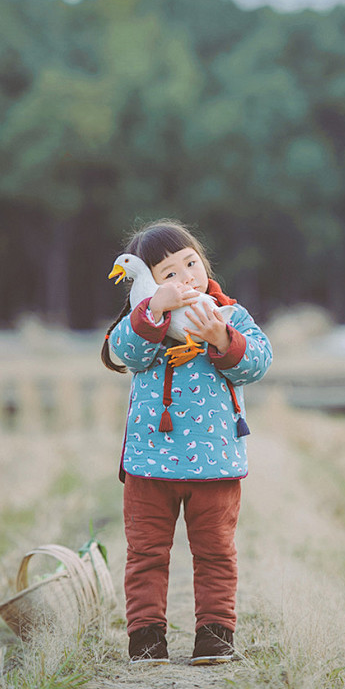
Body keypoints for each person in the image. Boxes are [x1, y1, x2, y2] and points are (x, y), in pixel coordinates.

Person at [101, 219, 273, 665]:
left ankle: (215, 637)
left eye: (190, 264)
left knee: (216, 554)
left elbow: (256, 363)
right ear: (149, 284)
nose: (185, 279)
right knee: (145, 556)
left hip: (215, 463)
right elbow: (124, 353)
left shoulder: (230, 315)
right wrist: (153, 311)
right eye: (168, 274)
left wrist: (221, 337)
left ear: (204, 263)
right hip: (149, 464)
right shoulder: (142, 318)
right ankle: (146, 641)